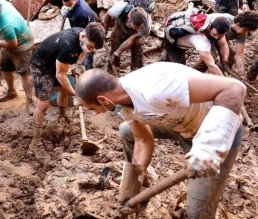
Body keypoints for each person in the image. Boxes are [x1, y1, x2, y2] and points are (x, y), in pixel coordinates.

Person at [75, 62, 246, 218]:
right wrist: (132, 189)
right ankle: (140, 181)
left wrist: (209, 149)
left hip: (214, 139)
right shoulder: (122, 103)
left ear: (103, 100)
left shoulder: (155, 88)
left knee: (197, 214)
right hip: (181, 126)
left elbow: (234, 88)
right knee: (127, 130)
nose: (96, 113)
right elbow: (142, 140)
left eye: (92, 108)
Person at [29, 22, 105, 151]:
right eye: (90, 47)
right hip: (41, 65)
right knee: (44, 103)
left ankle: (62, 117)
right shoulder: (68, 46)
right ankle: (35, 140)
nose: (90, 50)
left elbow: (83, 51)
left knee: (64, 88)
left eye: (93, 48)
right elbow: (60, 75)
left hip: (57, 61)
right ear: (83, 37)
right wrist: (76, 95)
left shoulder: (83, 32)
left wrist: (79, 64)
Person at [163, 10, 231, 76]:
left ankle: (165, 61)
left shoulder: (212, 21)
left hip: (182, 38)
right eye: (215, 35)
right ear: (210, 27)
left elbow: (223, 45)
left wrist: (225, 62)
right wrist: (227, 83)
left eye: (221, 36)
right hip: (174, 45)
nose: (216, 38)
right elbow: (211, 66)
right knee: (181, 73)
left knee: (170, 61)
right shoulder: (201, 41)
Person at [193, 11, 258, 76]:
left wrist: (241, 74)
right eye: (246, 30)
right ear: (238, 25)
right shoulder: (224, 21)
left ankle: (225, 75)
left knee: (231, 53)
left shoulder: (242, 33)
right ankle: (193, 74)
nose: (246, 33)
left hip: (221, 39)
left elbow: (239, 54)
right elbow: (222, 44)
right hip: (208, 35)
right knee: (212, 56)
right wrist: (223, 60)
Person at [103, 6, 152, 73]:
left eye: (139, 28)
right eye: (136, 28)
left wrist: (117, 53)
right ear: (129, 21)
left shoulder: (146, 27)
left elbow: (132, 39)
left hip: (135, 34)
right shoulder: (119, 9)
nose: (137, 30)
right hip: (120, 26)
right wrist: (105, 31)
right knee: (115, 45)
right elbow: (107, 14)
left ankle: (136, 72)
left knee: (137, 50)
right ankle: (113, 71)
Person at [60, 0, 96, 70]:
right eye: (65, 4)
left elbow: (78, 32)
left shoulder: (81, 13)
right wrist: (67, 10)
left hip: (88, 28)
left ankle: (88, 68)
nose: (67, 6)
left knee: (86, 48)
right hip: (79, 21)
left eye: (69, 5)